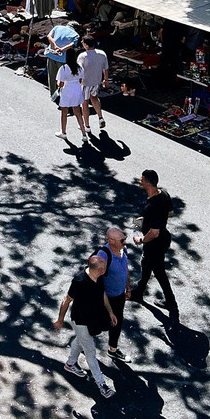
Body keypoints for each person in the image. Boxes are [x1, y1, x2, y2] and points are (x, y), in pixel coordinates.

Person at [55, 253, 117, 398]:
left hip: (92, 319)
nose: (106, 270)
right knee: (90, 352)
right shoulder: (79, 281)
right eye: (105, 268)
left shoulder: (99, 277)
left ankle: (70, 364)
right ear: (100, 270)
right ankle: (102, 385)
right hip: (80, 321)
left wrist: (110, 312)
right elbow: (66, 300)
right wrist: (60, 320)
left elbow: (102, 294)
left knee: (81, 340)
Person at [133, 169, 179, 318]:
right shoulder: (164, 194)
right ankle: (139, 292)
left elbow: (154, 233)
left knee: (157, 271)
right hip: (164, 240)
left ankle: (171, 302)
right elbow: (170, 212)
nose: (140, 181)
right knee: (148, 265)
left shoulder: (152, 206)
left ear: (147, 182)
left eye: (141, 179)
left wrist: (140, 240)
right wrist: (148, 219)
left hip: (155, 244)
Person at [97, 226, 131, 355]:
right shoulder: (103, 256)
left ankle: (113, 349)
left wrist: (128, 287)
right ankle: (81, 342)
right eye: (122, 240)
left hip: (119, 295)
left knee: (117, 322)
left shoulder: (123, 250)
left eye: (125, 238)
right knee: (99, 325)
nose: (125, 242)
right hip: (106, 298)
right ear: (111, 241)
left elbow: (125, 269)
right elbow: (96, 280)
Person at [57, 46, 88, 141]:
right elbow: (80, 80)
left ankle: (63, 132)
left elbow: (61, 84)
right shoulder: (80, 68)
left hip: (67, 91)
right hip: (77, 90)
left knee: (64, 113)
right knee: (78, 112)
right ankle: (84, 134)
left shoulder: (63, 68)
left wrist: (58, 83)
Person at [79, 35, 110, 130]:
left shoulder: (82, 56)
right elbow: (106, 68)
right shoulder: (102, 54)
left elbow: (79, 71)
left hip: (85, 83)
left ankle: (87, 126)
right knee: (94, 98)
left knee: (84, 103)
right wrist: (106, 80)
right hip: (97, 81)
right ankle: (100, 117)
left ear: (86, 45)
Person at [44, 18, 80, 98]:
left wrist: (55, 46)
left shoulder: (57, 27)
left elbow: (49, 36)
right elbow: (72, 45)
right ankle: (63, 95)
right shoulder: (76, 35)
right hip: (62, 58)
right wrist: (61, 49)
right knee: (63, 77)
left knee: (52, 75)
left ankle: (53, 95)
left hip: (51, 54)